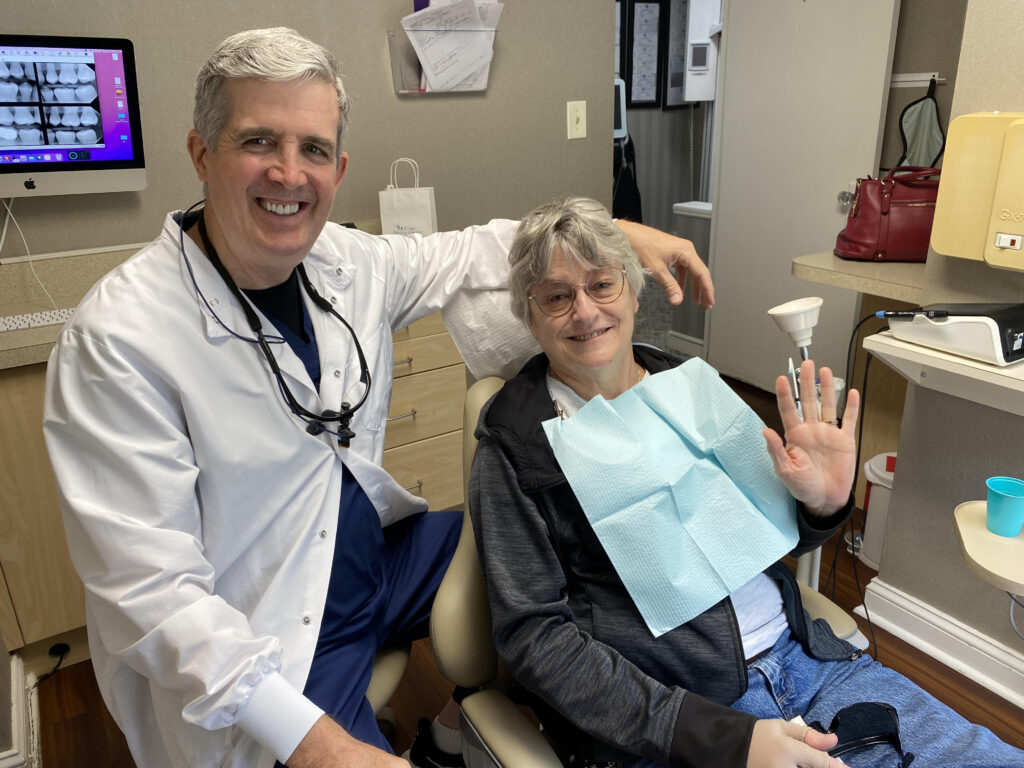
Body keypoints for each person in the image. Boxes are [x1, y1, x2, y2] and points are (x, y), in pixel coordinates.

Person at [41, 29, 712, 768]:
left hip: (373, 556)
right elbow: (154, 596)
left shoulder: (347, 260)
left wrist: (613, 232)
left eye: (314, 149)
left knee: (546, 544)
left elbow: (469, 249)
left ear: (340, 166)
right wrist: (326, 749)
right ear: (202, 154)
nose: (290, 174)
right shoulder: (120, 338)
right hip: (265, 626)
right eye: (259, 141)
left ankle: (466, 726)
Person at [469, 196, 1024, 768]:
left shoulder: (688, 388)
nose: (585, 312)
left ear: (634, 292)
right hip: (681, 717)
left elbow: (769, 536)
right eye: (557, 297)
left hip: (808, 663)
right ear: (530, 316)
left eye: (602, 284)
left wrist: (820, 506)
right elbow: (536, 640)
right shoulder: (517, 450)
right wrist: (726, 739)